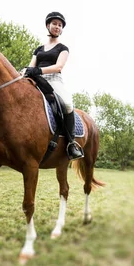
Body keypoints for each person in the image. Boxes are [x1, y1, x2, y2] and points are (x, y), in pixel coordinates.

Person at [20, 12, 84, 160]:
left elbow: (58, 67)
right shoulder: (39, 49)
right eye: (55, 23)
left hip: (54, 80)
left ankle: (71, 143)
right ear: (48, 25)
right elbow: (31, 66)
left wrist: (38, 70)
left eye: (60, 25)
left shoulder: (63, 48)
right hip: (36, 79)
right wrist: (25, 72)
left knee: (67, 104)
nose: (57, 27)